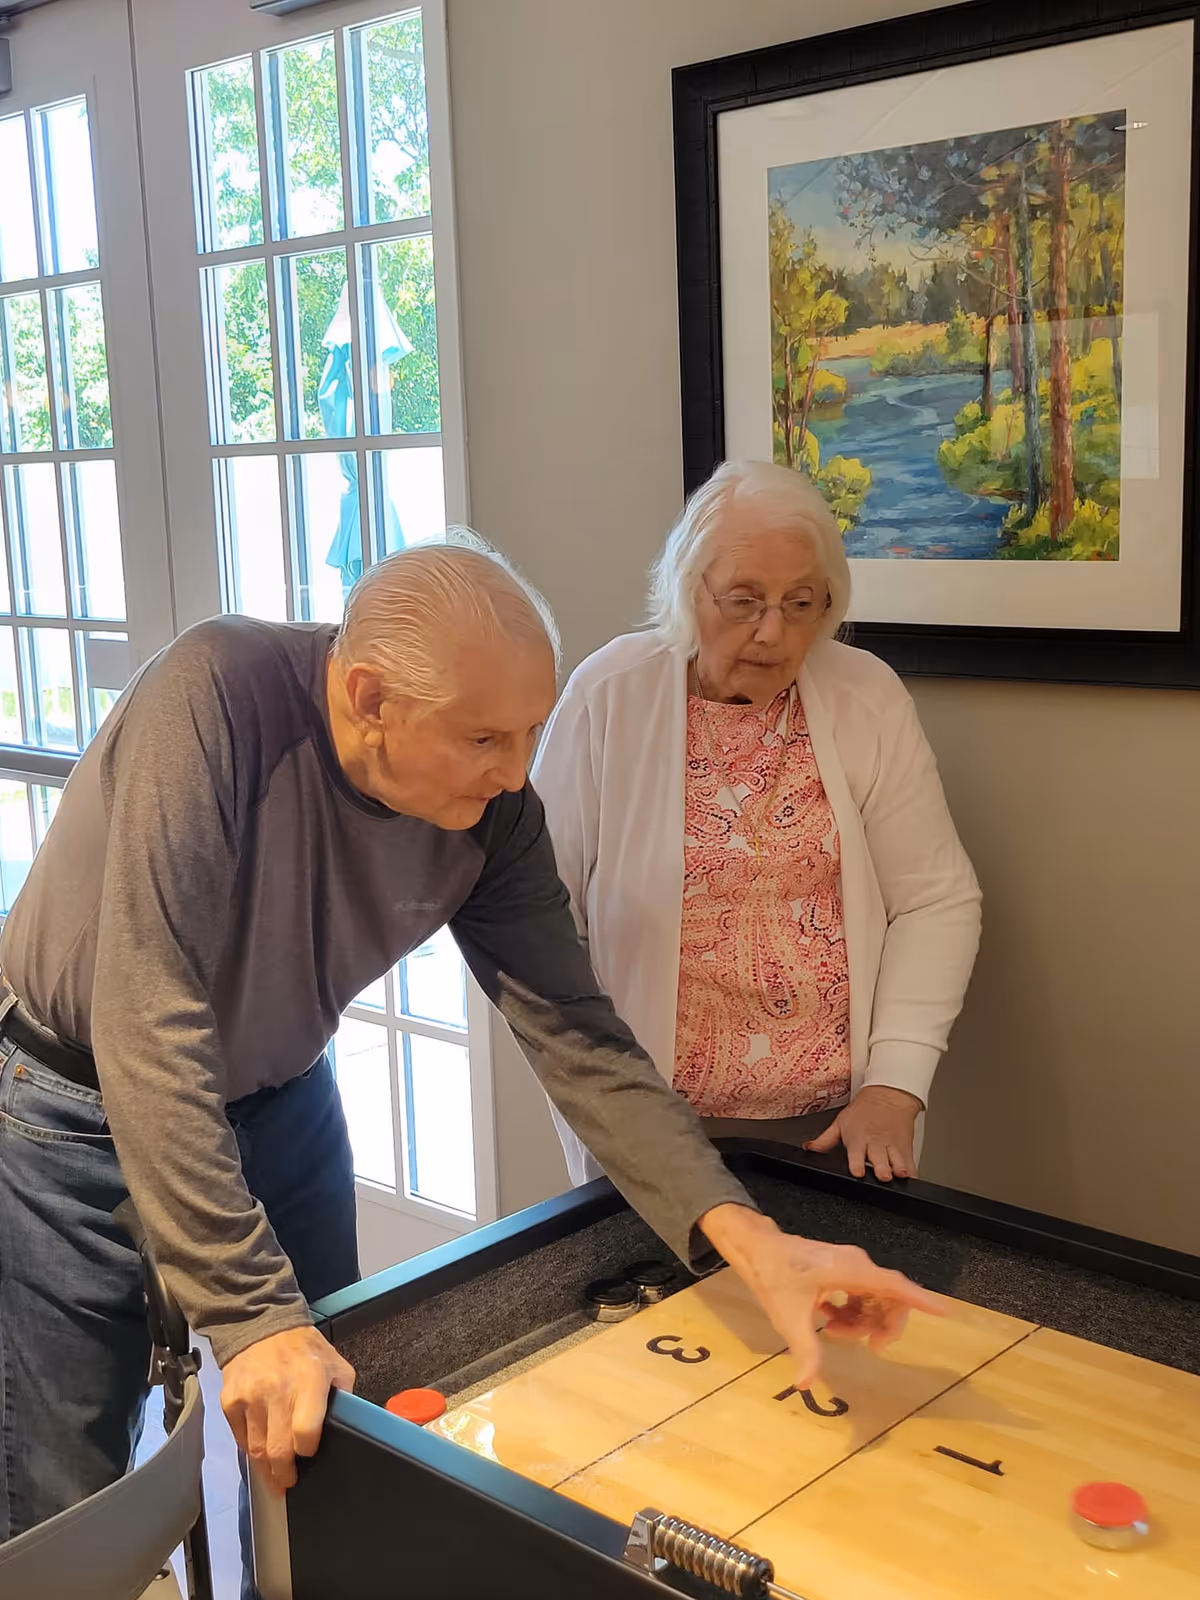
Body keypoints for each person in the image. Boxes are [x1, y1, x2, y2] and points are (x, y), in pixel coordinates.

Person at [0, 538, 937, 1584]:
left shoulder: (497, 817)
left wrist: (754, 1243)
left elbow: (580, 1037)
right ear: (368, 698)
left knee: (323, 1430)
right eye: (486, 736)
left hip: (282, 1093)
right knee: (64, 1485)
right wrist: (250, 1311)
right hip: (73, 1100)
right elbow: (150, 1015)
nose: (517, 772)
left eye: (532, 731)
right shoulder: (213, 695)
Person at [533, 461, 982, 1187]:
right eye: (743, 601)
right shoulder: (609, 696)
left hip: (836, 1126)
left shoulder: (866, 696)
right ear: (688, 590)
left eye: (801, 602)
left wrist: (896, 1082)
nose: (772, 631)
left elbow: (936, 900)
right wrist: (603, 1092)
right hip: (653, 1127)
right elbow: (536, 914)